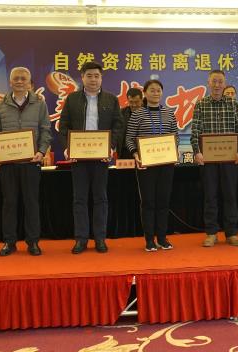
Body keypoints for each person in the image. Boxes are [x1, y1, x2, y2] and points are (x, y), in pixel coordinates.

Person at [58, 61, 123, 254]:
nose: (93, 79)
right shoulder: (72, 99)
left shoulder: (111, 99)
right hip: (78, 158)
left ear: (101, 78)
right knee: (79, 199)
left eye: (96, 76)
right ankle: (81, 239)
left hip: (101, 158)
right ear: (82, 77)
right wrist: (68, 148)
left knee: (100, 198)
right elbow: (63, 126)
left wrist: (111, 147)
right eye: (89, 76)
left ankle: (100, 238)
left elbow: (118, 126)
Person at [0, 67, 52, 256]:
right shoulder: (0, 106)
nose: (20, 81)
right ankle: (9, 242)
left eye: (24, 78)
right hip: (7, 164)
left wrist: (41, 151)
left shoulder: (40, 104)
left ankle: (33, 242)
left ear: (30, 83)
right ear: (10, 82)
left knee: (31, 203)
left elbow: (46, 131)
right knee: (9, 203)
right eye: (16, 78)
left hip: (31, 163)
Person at [190, 70, 238, 247]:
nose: (217, 85)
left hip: (230, 159)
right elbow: (195, 131)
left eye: (220, 81)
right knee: (210, 196)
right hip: (208, 160)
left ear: (224, 84)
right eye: (214, 81)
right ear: (208, 83)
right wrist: (197, 151)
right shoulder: (201, 104)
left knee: (230, 195)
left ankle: (232, 233)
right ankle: (211, 233)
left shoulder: (233, 104)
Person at [125, 79, 179, 252]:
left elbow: (175, 136)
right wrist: (136, 154)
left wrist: (173, 150)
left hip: (166, 164)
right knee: (148, 202)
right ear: (145, 93)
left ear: (162, 93)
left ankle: (162, 238)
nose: (155, 93)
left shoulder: (169, 113)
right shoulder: (138, 114)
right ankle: (149, 239)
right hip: (145, 165)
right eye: (152, 90)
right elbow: (129, 138)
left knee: (163, 201)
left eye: (158, 90)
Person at [119, 88, 144, 159]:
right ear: (127, 100)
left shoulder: (148, 112)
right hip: (126, 152)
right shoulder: (121, 113)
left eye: (137, 102)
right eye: (131, 102)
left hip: (144, 150)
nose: (134, 105)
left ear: (142, 100)